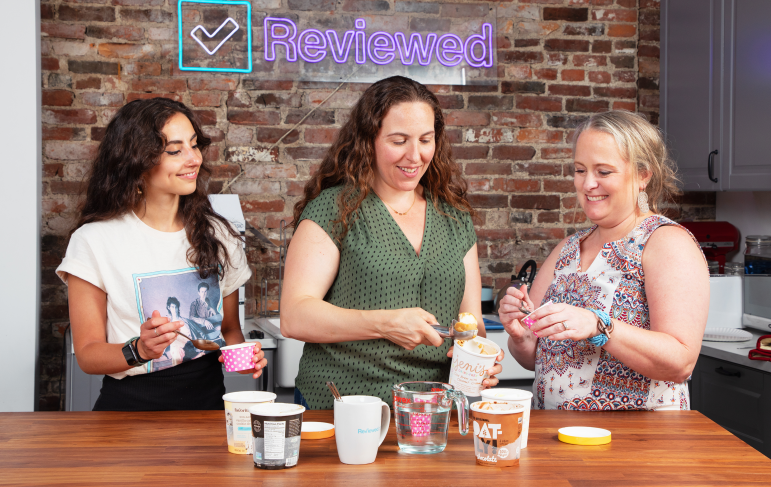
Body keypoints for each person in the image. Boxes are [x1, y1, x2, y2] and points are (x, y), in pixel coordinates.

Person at [280, 76, 503, 410]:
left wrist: (478, 359)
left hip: (432, 413)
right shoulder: (335, 208)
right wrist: (385, 324)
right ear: (368, 139)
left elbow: (470, 322)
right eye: (399, 140)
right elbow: (294, 316)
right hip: (341, 406)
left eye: (426, 140)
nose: (415, 156)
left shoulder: (455, 217)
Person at [57, 98, 267, 411]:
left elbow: (228, 332)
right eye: (175, 150)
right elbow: (88, 353)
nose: (193, 158)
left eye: (194, 146)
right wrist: (140, 350)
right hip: (128, 414)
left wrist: (245, 360)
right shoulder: (93, 241)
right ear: (137, 161)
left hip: (207, 412)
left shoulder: (218, 234)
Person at [499, 110, 709, 411]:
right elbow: (533, 358)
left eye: (604, 172)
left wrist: (598, 326)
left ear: (642, 175)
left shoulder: (666, 243)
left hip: (640, 444)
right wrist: (520, 336)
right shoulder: (567, 250)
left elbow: (680, 362)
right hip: (560, 442)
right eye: (580, 170)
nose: (587, 184)